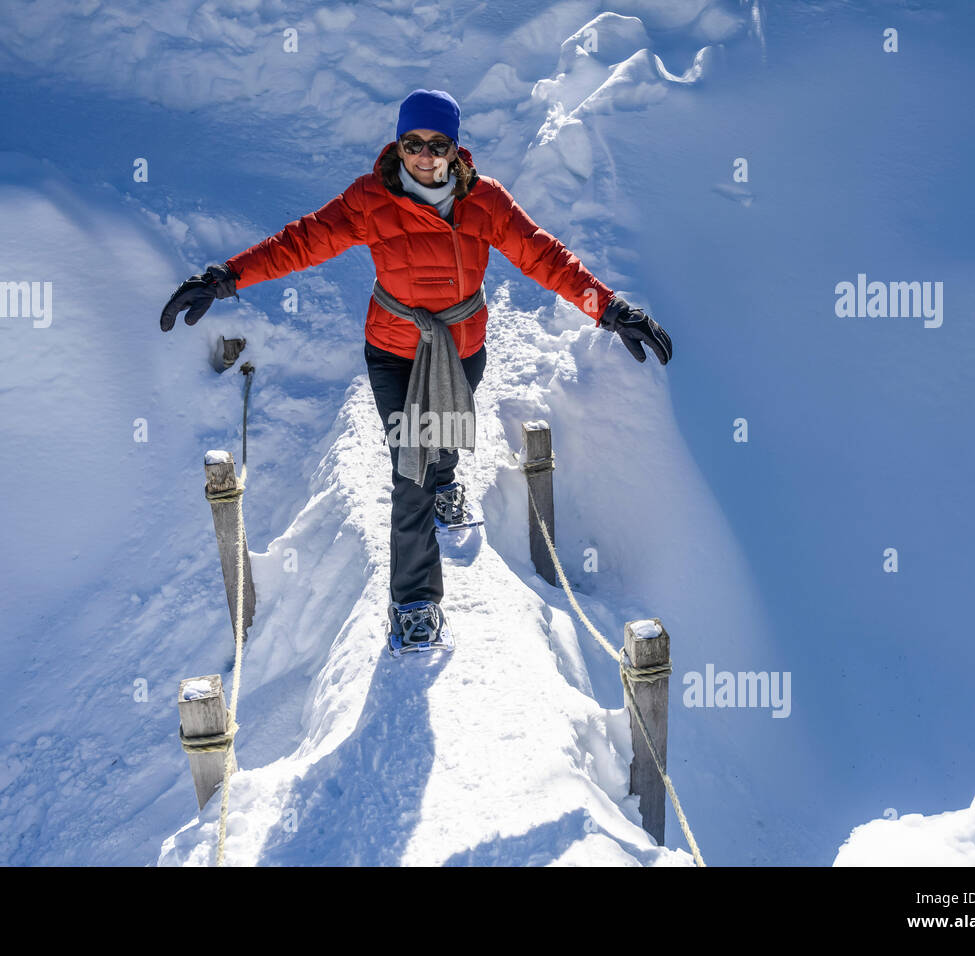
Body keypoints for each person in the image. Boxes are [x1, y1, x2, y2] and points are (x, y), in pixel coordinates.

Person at [160, 89, 672, 655]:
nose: (424, 156)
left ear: (456, 149)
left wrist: (610, 308)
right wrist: (224, 277)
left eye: (437, 144)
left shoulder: (487, 203)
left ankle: (448, 482)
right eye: (413, 144)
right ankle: (414, 602)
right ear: (398, 144)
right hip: (394, 350)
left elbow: (544, 257)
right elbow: (301, 241)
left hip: (461, 346)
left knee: (444, 431)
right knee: (411, 472)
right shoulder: (369, 200)